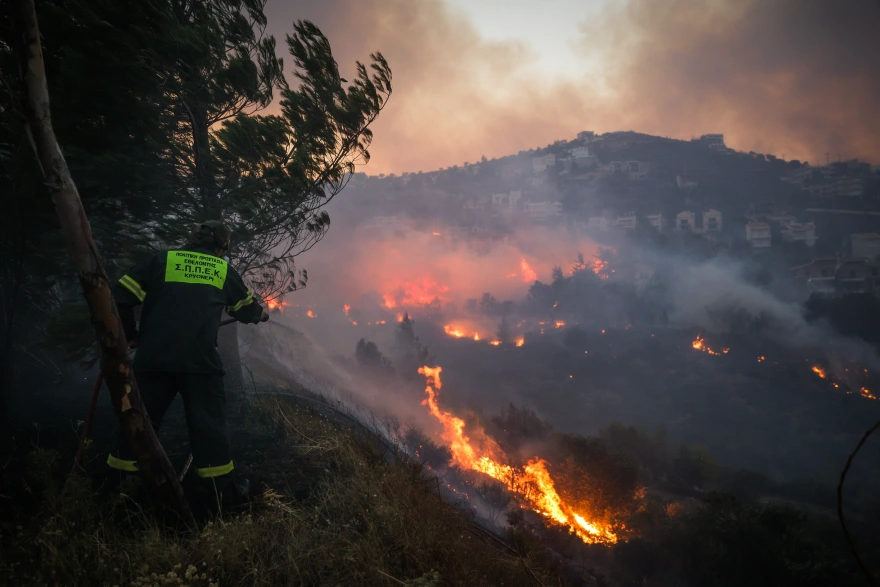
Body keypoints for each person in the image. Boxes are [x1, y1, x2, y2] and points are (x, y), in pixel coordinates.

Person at [106, 220, 268, 501]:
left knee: (139, 421)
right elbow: (245, 309)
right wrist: (260, 315)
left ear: (194, 239)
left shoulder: (161, 260)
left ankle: (120, 489)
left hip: (154, 359)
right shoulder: (221, 269)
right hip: (200, 363)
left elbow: (120, 296)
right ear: (223, 245)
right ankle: (219, 497)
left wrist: (130, 335)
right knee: (209, 427)